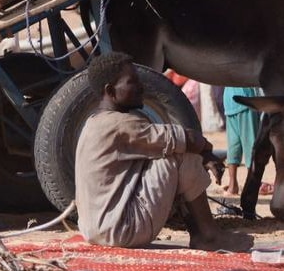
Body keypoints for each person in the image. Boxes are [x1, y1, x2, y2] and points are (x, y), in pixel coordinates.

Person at [75, 51, 251, 251]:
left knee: (169, 153)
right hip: (121, 231)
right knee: (182, 156)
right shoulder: (122, 124)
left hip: (95, 231)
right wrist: (206, 152)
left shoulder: (94, 122)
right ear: (111, 91)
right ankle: (208, 235)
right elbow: (189, 140)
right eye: (132, 81)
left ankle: (203, 233)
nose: (141, 86)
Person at [222, 86, 267, 196]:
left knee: (233, 144)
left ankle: (233, 186)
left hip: (229, 98)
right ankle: (252, 186)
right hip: (245, 98)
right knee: (251, 146)